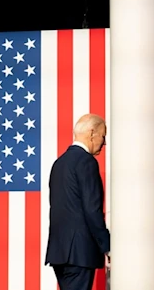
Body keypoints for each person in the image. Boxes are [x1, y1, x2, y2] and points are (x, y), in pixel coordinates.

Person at [45, 113, 111, 290]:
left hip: (59, 252)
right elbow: (92, 209)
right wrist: (107, 245)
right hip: (80, 253)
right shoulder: (87, 162)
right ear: (92, 133)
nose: (104, 143)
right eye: (103, 136)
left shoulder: (58, 164)